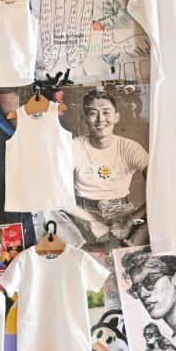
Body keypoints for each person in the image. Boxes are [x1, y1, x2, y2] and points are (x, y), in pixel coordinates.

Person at [66, 89, 148, 245]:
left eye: (106, 112)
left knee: (165, 211)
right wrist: (91, 222)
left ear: (116, 117)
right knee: (49, 213)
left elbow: (160, 188)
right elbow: (56, 193)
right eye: (93, 113)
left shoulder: (130, 148)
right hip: (82, 214)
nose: (100, 119)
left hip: (122, 213)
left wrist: (129, 221)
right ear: (84, 118)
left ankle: (130, 245)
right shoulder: (74, 147)